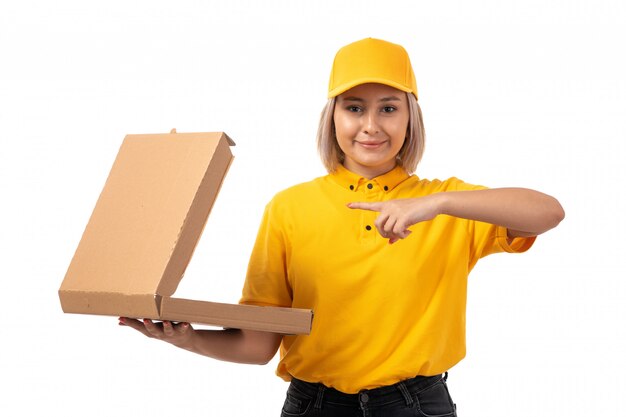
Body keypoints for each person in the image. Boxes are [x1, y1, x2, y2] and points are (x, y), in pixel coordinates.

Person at [120, 38, 564, 416]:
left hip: (414, 405)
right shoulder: (290, 207)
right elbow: (259, 346)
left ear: (410, 118)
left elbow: (548, 212)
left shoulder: (447, 203)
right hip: (313, 404)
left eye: (388, 108)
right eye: (355, 108)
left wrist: (438, 202)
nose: (371, 126)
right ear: (333, 117)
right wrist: (188, 338)